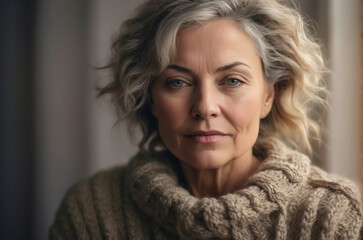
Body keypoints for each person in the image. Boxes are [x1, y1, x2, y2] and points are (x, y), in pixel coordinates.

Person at [49, 0, 363, 239]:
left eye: (232, 80)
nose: (205, 106)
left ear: (270, 95)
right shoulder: (90, 211)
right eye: (177, 82)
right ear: (151, 98)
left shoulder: (334, 217)